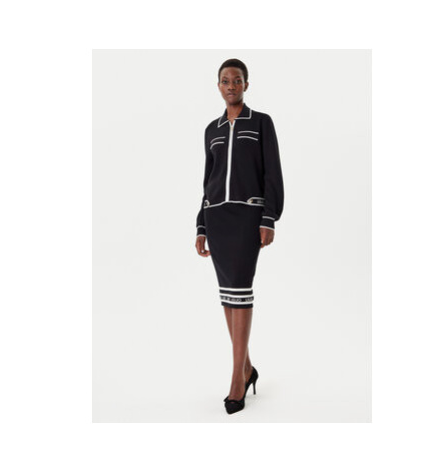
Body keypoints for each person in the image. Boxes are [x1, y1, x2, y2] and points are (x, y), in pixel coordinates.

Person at [195, 58, 285, 414]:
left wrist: (269, 217)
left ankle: (237, 379)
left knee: (241, 291)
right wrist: (201, 224)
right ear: (218, 86)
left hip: (248, 215)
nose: (231, 85)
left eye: (237, 80)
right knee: (228, 295)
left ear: (246, 84)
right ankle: (245, 368)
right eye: (225, 80)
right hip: (217, 217)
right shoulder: (211, 130)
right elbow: (208, 180)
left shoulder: (261, 122)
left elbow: (272, 172)